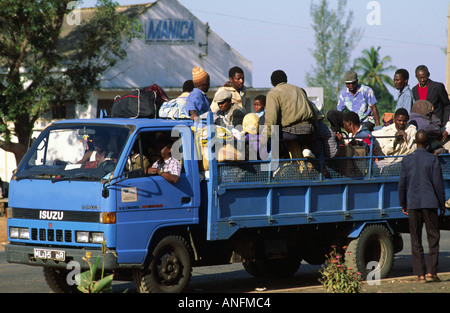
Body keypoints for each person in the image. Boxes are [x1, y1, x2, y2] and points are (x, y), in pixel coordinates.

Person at [398, 130, 445, 283]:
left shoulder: (406, 160)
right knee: (433, 237)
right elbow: (438, 184)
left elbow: (402, 184)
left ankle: (420, 275)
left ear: (415, 142)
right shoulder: (433, 160)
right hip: (430, 204)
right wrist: (441, 202)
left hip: (413, 204)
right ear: (427, 143)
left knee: (415, 238)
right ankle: (432, 272)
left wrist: (403, 203)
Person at [264, 70, 317, 158]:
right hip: (308, 130)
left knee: (276, 135)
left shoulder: (273, 93)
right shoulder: (298, 90)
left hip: (292, 134)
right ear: (286, 80)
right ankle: (305, 148)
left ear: (272, 82)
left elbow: (271, 119)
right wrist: (314, 131)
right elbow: (313, 112)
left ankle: (288, 161)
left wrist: (265, 137)